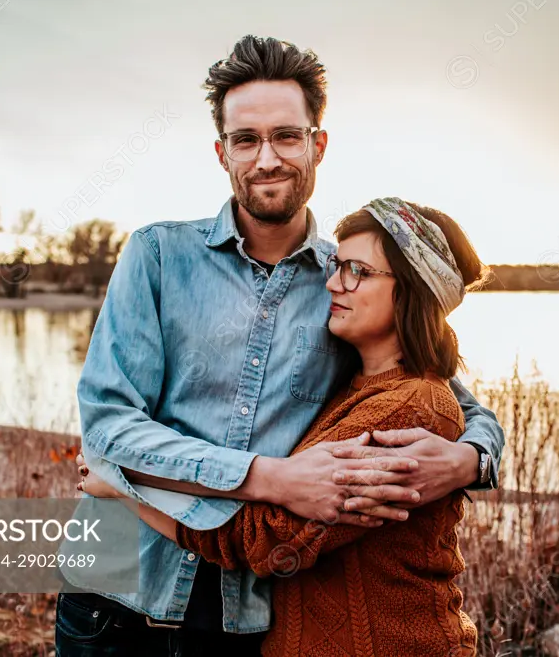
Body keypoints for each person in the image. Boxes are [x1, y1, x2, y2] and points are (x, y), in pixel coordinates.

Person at [55, 35, 505, 656]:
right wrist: (269, 479)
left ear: (318, 144)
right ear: (222, 153)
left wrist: (468, 462)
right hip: (114, 594)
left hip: (244, 614)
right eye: (246, 140)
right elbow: (107, 429)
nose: (267, 158)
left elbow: (450, 399)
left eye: (287, 136)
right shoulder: (156, 256)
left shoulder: (344, 282)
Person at [79, 197, 486, 656]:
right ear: (222, 150)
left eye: (357, 271)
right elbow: (106, 422)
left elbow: (260, 538)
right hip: (122, 602)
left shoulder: (405, 408)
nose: (333, 283)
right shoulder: (357, 380)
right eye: (338, 266)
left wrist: (121, 486)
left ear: (412, 290)